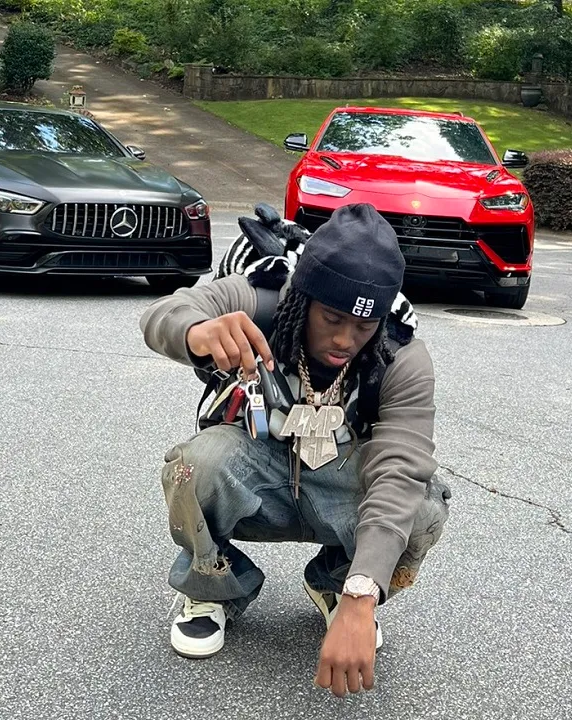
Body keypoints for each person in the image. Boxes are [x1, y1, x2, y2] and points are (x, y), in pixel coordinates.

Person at [139, 203, 450, 697]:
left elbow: (400, 471)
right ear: (304, 297)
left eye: (363, 326)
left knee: (424, 504)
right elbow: (164, 312)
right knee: (194, 466)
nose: (346, 339)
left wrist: (362, 593)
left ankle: (335, 581)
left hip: (338, 480)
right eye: (332, 317)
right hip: (258, 469)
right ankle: (212, 588)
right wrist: (196, 332)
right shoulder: (264, 295)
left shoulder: (402, 354)